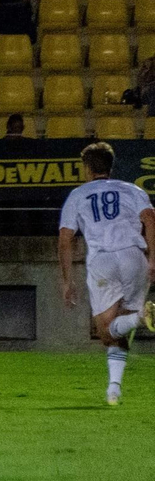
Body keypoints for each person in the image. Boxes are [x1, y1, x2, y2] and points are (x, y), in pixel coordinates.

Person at [58, 141, 155, 405]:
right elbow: (150, 219)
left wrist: (67, 281)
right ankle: (114, 389)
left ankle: (138, 319)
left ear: (87, 169)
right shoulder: (132, 189)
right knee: (120, 328)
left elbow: (65, 238)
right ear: (111, 166)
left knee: (106, 331)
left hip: (102, 260)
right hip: (134, 256)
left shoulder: (78, 195)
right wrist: (153, 259)